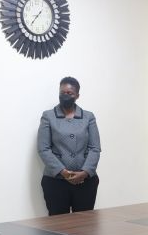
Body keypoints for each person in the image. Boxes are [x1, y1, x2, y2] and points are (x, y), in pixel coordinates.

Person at [37, 76, 101, 215]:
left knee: (84, 226)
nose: (65, 96)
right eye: (62, 92)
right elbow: (43, 149)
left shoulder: (88, 117)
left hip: (86, 182)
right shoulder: (48, 116)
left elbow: (95, 148)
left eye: (70, 93)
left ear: (77, 95)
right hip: (55, 182)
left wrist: (84, 173)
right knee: (58, 227)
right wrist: (64, 172)